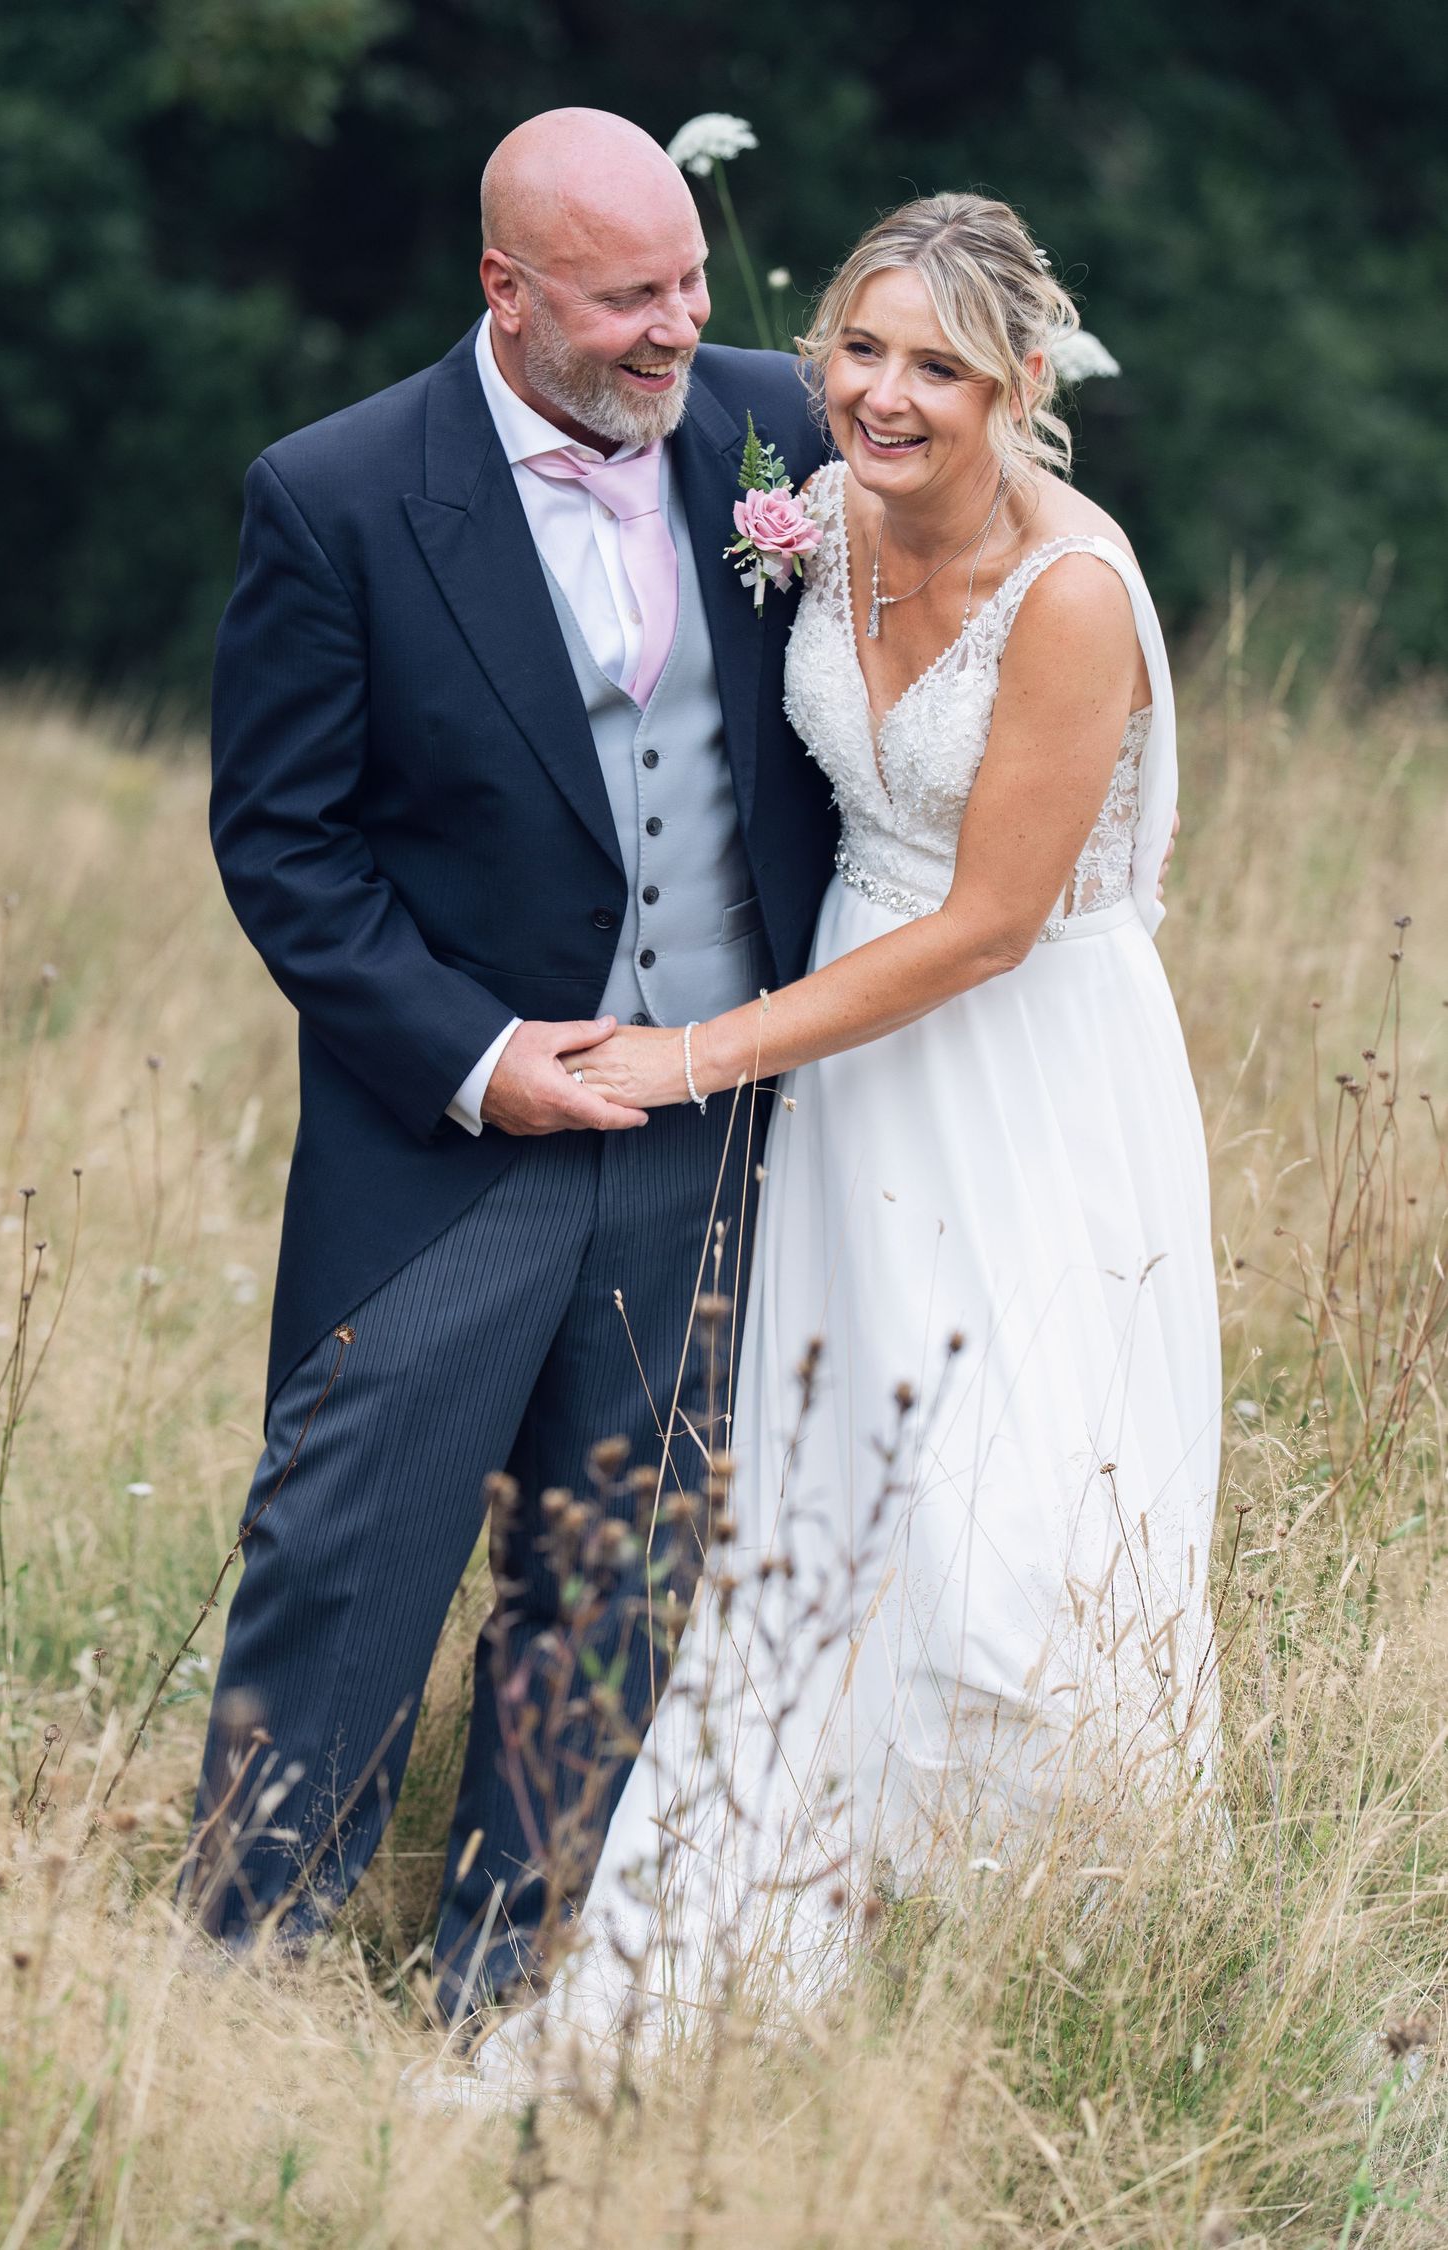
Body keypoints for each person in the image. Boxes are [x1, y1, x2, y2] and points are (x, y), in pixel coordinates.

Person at [472, 191, 1222, 2094]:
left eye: (937, 367)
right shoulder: (808, 514)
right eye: (860, 351)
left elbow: (980, 924)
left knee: (1017, 1522)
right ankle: (815, 1924)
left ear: (1021, 382)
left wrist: (692, 1051)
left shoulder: (1070, 596)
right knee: (839, 1501)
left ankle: (1063, 1969)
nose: (882, 396)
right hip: (851, 1078)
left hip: (1023, 1067)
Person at [181, 108, 837, 2020]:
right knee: (348, 1546)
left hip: (710, 1124)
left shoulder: (771, 419)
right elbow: (283, 842)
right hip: (451, 1141)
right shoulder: (341, 492)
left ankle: (507, 1980)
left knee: (620, 1574)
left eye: (690, 280)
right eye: (630, 296)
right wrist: (478, 1060)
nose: (676, 324)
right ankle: (241, 1993)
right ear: (507, 288)